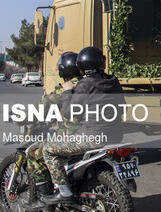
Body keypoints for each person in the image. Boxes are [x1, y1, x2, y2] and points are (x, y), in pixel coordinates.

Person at [30, 47, 123, 208]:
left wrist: (67, 92)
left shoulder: (84, 85)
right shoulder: (113, 82)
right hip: (115, 136)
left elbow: (69, 111)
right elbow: (122, 107)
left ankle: (64, 193)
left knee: (48, 150)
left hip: (90, 138)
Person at [24, 52, 82, 204]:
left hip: (73, 139)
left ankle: (46, 202)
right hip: (96, 134)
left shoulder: (64, 89)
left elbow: (42, 107)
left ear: (64, 70)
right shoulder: (88, 83)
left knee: (33, 154)